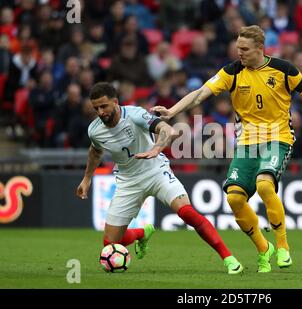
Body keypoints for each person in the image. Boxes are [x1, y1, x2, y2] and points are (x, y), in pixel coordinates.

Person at [152, 25, 302, 272]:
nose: (240, 53)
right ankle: (263, 248)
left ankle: (282, 247)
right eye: (238, 48)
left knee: (264, 184)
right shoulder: (232, 72)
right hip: (247, 141)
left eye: (245, 49)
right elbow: (199, 94)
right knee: (234, 198)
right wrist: (172, 111)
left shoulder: (284, 70)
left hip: (278, 137)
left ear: (260, 48)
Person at [76, 82, 243, 275]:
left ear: (115, 102)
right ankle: (142, 233)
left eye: (104, 106)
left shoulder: (134, 114)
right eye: (96, 108)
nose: (100, 112)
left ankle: (229, 259)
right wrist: (87, 178)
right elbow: (95, 152)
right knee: (110, 243)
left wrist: (156, 149)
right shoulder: (94, 130)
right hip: (128, 181)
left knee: (187, 212)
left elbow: (168, 130)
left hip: (155, 171)